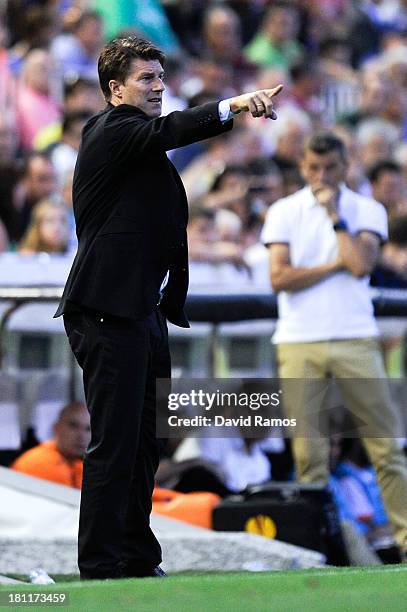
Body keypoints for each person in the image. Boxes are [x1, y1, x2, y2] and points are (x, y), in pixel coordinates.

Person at [55, 35, 283, 580]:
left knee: (144, 444)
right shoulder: (112, 130)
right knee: (115, 442)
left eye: (161, 78)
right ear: (115, 89)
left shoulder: (130, 138)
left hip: (141, 311)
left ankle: (135, 556)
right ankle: (102, 564)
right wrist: (234, 104)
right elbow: (170, 130)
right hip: (108, 311)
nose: (158, 88)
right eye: (146, 79)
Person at [262, 131, 407, 558]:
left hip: (355, 336)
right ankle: (317, 546)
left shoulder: (366, 209)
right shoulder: (283, 211)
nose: (321, 176)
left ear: (346, 167)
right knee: (309, 453)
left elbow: (361, 265)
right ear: (302, 167)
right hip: (298, 338)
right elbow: (278, 278)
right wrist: (334, 264)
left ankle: (405, 542)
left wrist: (336, 218)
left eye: (329, 168)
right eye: (313, 168)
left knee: (385, 446)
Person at [12, 402, 90, 489]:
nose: (81, 436)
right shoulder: (39, 462)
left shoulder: (80, 464)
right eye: (73, 426)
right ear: (56, 428)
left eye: (88, 429)